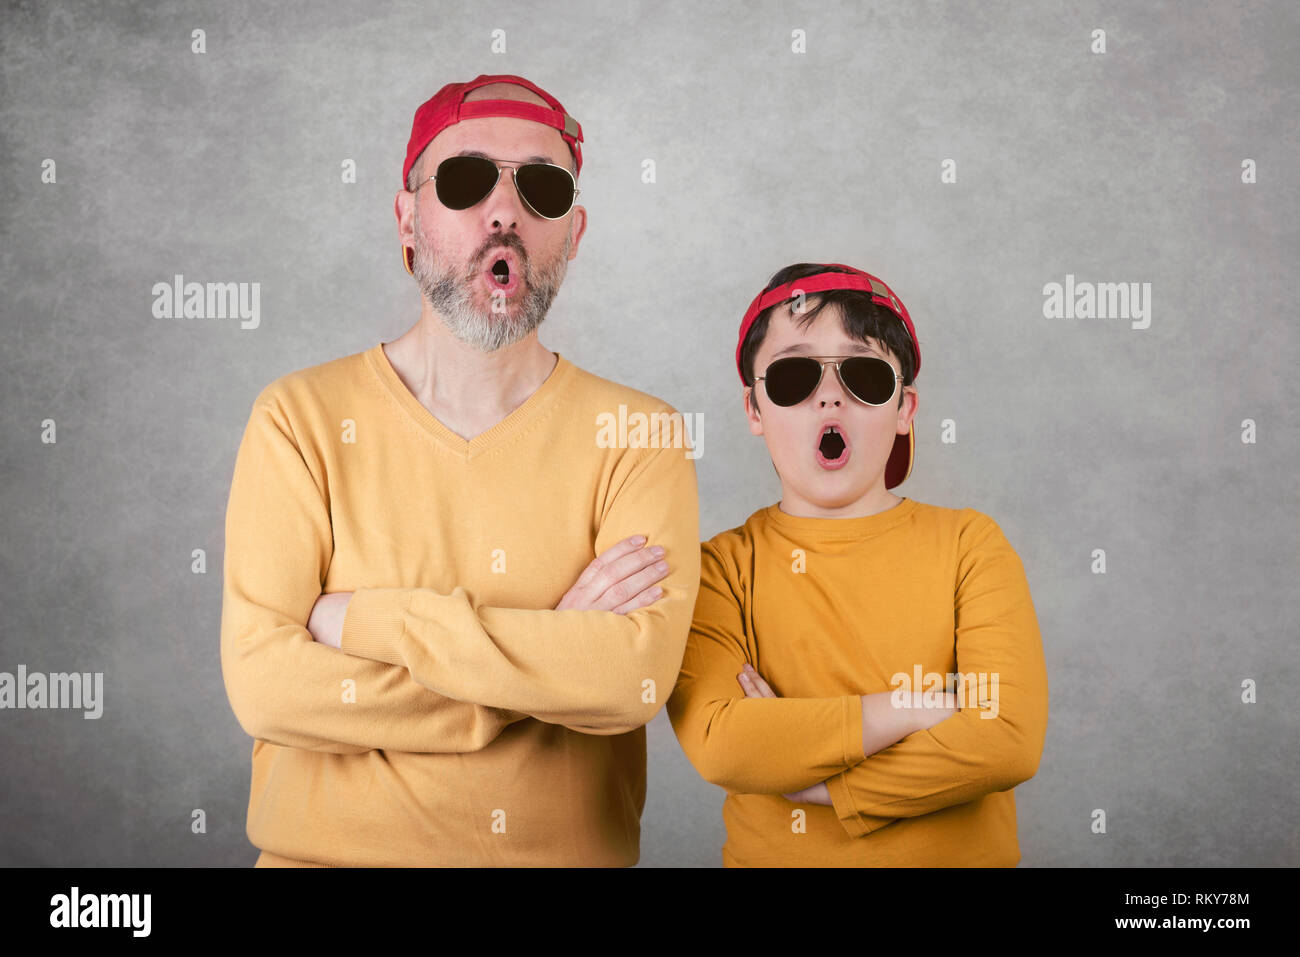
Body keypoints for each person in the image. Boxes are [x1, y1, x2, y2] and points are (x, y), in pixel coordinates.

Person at [219, 74, 700, 866]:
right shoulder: (297, 419)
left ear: (574, 232)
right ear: (406, 218)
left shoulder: (638, 434)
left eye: (540, 188)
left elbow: (630, 682)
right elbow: (266, 686)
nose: (504, 211)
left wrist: (364, 624)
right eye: (467, 179)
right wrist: (535, 674)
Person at [666, 262, 1048, 866]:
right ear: (754, 408)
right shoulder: (720, 569)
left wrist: (821, 784)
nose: (829, 393)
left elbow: (1008, 740)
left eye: (864, 374)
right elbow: (721, 744)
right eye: (793, 374)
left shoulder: (970, 546)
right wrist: (918, 707)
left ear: (904, 409)